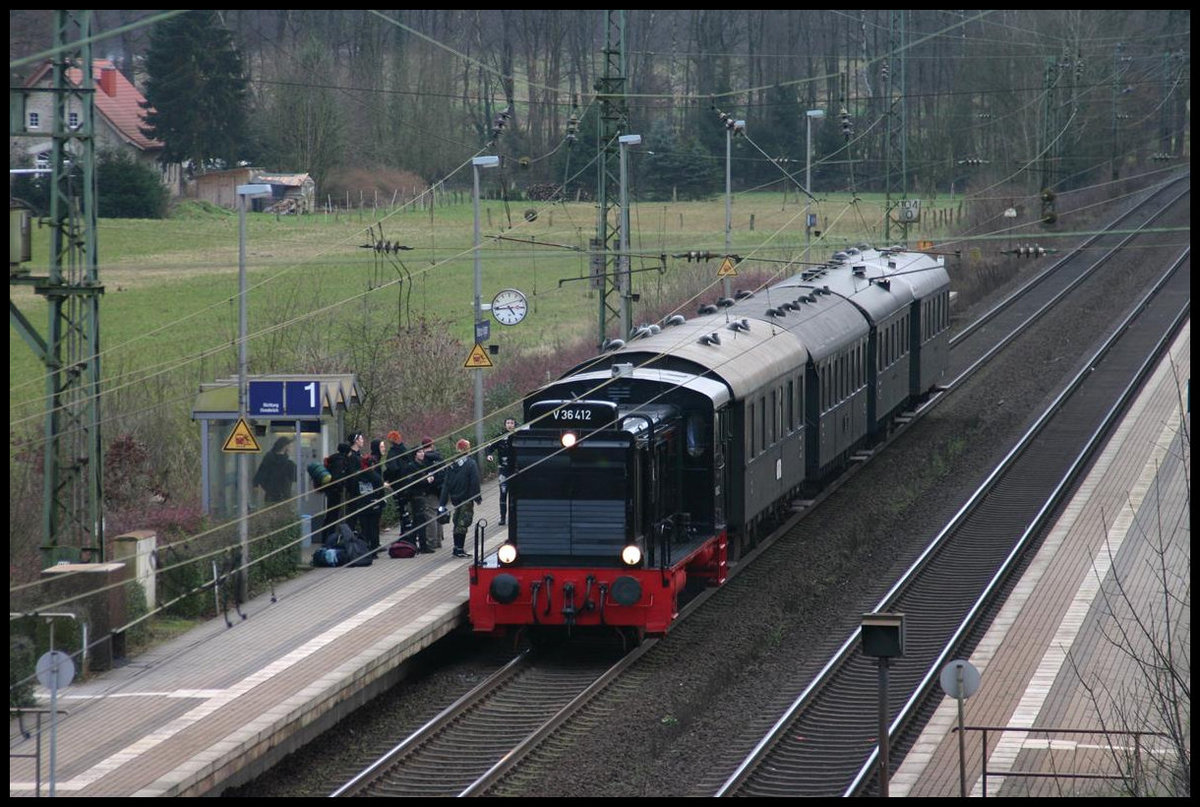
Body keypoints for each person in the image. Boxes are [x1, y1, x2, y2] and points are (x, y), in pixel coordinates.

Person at [438, 438, 482, 558]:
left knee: (457, 521)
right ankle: (459, 549)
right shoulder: (471, 464)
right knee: (463, 522)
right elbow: (475, 481)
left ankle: (456, 547)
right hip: (467, 498)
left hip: (455, 499)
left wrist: (442, 503)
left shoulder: (452, 465)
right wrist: (477, 497)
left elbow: (446, 484)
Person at [353, 439, 390, 553]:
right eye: (382, 446)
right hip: (374, 501)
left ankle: (368, 545)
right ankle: (373, 545)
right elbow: (378, 485)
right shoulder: (375, 474)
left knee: (366, 525)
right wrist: (380, 498)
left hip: (364, 502)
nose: (384, 449)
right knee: (373, 524)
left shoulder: (360, 475)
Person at [409, 439, 445, 552]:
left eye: (421, 451)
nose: (422, 454)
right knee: (437, 514)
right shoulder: (438, 456)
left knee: (430, 516)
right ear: (432, 445)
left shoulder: (426, 461)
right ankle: (438, 540)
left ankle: (432, 541)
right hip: (439, 490)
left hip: (429, 491)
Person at [485, 417, 518, 526]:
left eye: (512, 423)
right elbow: (489, 447)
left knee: (514, 495)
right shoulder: (500, 436)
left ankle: (514, 517)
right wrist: (489, 455)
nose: (510, 425)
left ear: (515, 424)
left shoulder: (518, 435)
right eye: (508, 423)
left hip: (515, 470)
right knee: (503, 493)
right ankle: (502, 517)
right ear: (505, 425)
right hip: (503, 470)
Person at [383, 430, 414, 533]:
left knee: (401, 508)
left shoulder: (392, 453)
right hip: (407, 482)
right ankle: (408, 529)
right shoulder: (404, 450)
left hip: (398, 483)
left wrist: (387, 477)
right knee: (407, 508)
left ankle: (404, 530)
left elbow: (392, 467)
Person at [253, 436, 296, 503]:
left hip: (270, 494)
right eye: (290, 446)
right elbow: (293, 478)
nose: (292, 448)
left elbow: (261, 472)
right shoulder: (289, 462)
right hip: (284, 495)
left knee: (271, 511)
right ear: (285, 447)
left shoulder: (268, 457)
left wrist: (256, 484)